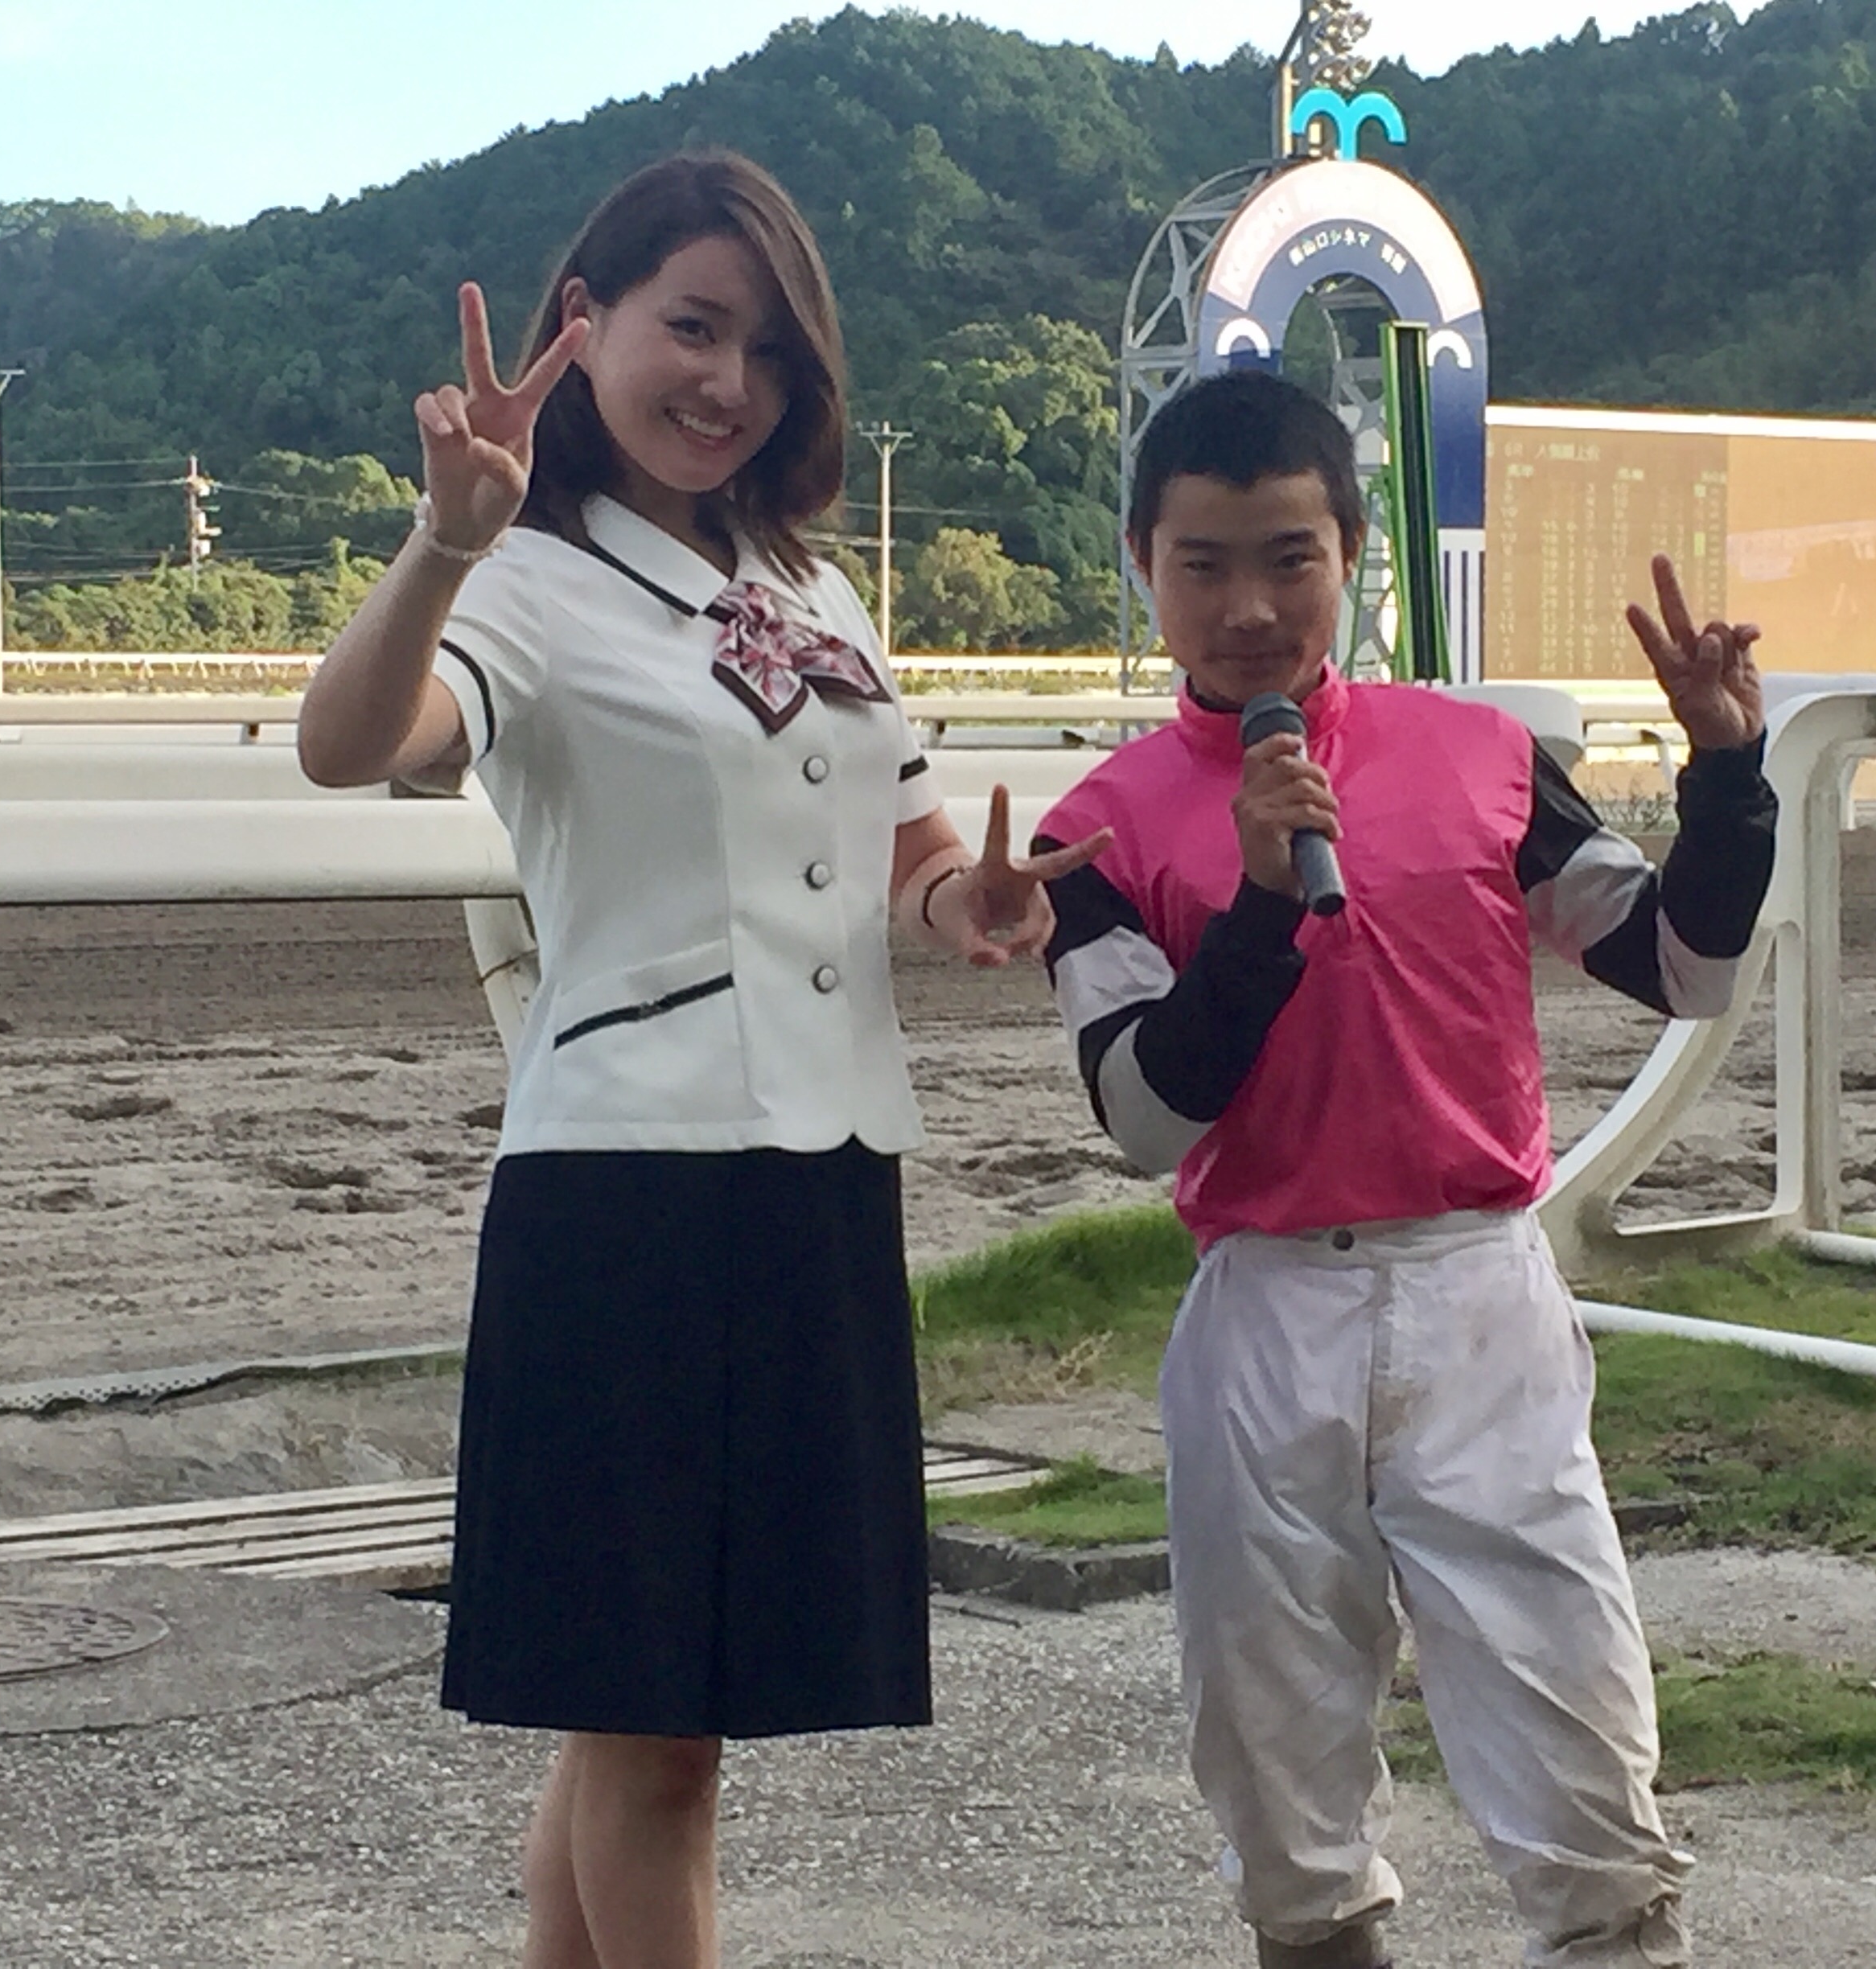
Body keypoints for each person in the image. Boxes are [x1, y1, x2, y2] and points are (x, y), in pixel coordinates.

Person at [295, 150, 1103, 1969]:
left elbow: (905, 848)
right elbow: (351, 745)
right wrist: (446, 536)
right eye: (693, 327)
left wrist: (964, 904)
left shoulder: (817, 591)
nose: (728, 381)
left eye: (769, 350)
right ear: (586, 324)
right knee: (654, 1731)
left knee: (646, 1713)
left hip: (816, 1183)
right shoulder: (523, 577)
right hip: (627, 1200)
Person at [1031, 369, 1777, 1969]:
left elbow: (1683, 969)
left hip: (1477, 1292)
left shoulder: (1481, 756)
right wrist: (1256, 907)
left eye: (1288, 560)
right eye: (1204, 564)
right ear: (1143, 563)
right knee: (1280, 1786)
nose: (1249, 608)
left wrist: (1727, 780)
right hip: (1262, 1311)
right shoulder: (1100, 829)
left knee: (1581, 1755)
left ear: (1353, 556)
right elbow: (1148, 1119)